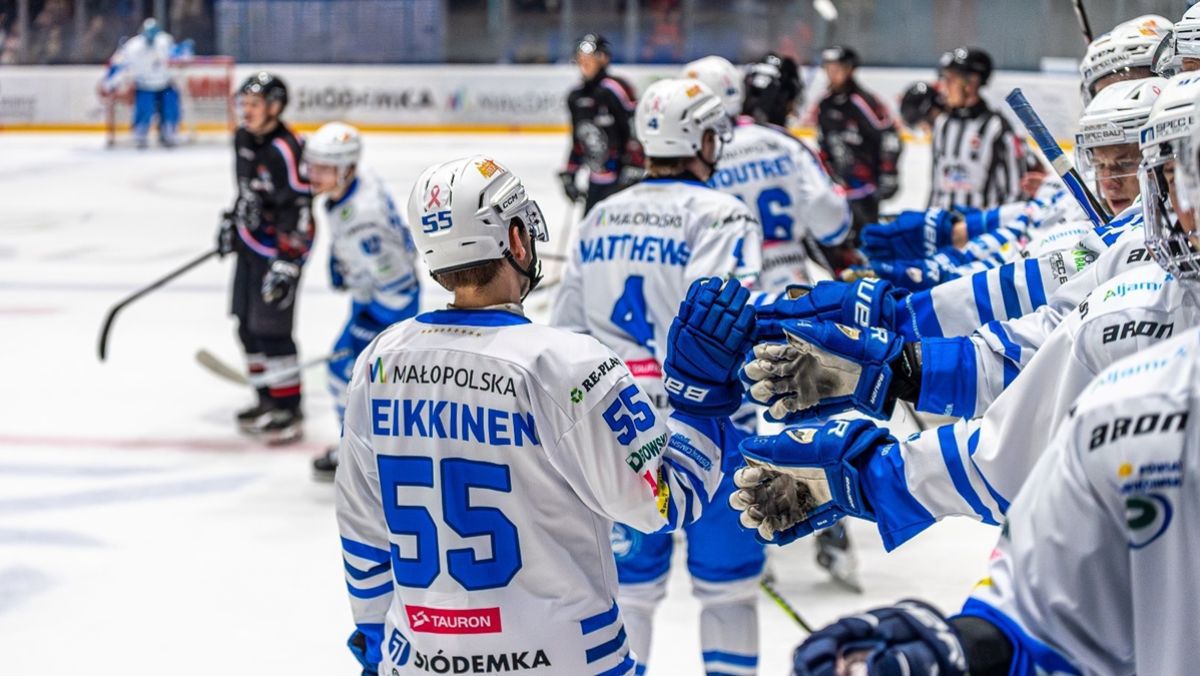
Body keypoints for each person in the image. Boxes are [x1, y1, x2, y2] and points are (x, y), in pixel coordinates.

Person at [334, 153, 754, 675]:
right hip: (564, 660)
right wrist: (700, 399)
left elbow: (361, 527)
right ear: (516, 239)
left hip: (419, 661)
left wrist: (377, 639)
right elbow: (665, 502)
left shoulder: (380, 361)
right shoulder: (569, 365)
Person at [551, 78, 764, 675]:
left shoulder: (601, 216)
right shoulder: (723, 214)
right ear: (699, 139)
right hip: (716, 427)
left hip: (619, 431)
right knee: (729, 591)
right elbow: (726, 323)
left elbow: (564, 332)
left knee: (632, 593)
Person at [685, 54, 860, 589]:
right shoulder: (784, 144)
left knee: (735, 419)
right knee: (807, 408)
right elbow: (832, 220)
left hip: (729, 308)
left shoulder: (704, 157)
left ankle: (746, 535)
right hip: (791, 298)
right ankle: (834, 534)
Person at [302, 122, 420, 479]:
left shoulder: (365, 220)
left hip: (387, 308)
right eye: (313, 165)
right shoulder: (354, 182)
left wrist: (373, 325)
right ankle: (362, 449)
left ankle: (362, 455)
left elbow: (399, 282)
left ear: (345, 169)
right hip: (368, 297)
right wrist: (341, 260)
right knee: (358, 379)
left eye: (323, 169)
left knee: (348, 377)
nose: (313, 175)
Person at [214, 72, 312, 444]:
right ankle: (266, 397)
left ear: (274, 107)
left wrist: (288, 260)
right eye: (244, 104)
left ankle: (289, 407)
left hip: (279, 252)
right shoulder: (242, 138)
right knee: (246, 325)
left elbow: (300, 209)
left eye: (254, 104)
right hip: (250, 244)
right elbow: (246, 193)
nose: (247, 111)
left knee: (272, 330)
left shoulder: (286, 149)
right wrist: (231, 220)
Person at [815, 45, 903, 241]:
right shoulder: (824, 104)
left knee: (867, 240)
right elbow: (823, 143)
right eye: (828, 68)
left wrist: (889, 173)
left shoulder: (863, 101)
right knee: (839, 243)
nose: (832, 73)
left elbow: (890, 137)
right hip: (838, 189)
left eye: (837, 68)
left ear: (850, 69)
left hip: (866, 188)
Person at [928, 47, 1025, 210]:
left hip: (984, 223)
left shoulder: (997, 127)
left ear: (971, 82)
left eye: (950, 80)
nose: (943, 88)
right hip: (945, 223)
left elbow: (1015, 192)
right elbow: (936, 187)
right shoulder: (942, 124)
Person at [560, 33, 643, 212]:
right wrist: (570, 172)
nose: (585, 63)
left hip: (622, 179)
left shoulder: (615, 89)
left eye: (590, 57)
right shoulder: (575, 97)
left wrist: (635, 165)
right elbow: (579, 139)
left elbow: (635, 126)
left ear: (604, 58)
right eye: (581, 58)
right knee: (589, 227)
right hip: (596, 180)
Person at [103, 18, 179, 148]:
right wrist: (111, 82)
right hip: (144, 85)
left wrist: (183, 51)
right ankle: (140, 134)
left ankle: (169, 132)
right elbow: (120, 63)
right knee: (144, 109)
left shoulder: (165, 41)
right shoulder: (133, 46)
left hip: (165, 83)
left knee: (170, 106)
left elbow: (177, 55)